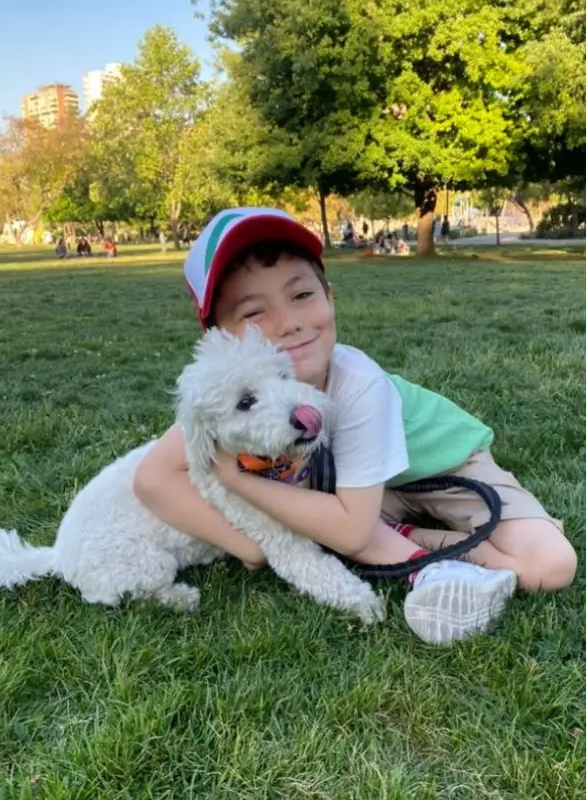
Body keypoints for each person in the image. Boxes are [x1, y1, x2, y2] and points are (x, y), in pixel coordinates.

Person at [132, 207, 576, 646]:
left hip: (443, 466)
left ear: (329, 296)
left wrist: (235, 480)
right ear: (220, 340)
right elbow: (152, 479)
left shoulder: (359, 383)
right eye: (253, 313)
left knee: (549, 568)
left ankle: (435, 547)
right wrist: (249, 547)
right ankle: (434, 547)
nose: (290, 323)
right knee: (334, 522)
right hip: (365, 497)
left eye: (302, 295)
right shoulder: (232, 396)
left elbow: (350, 533)